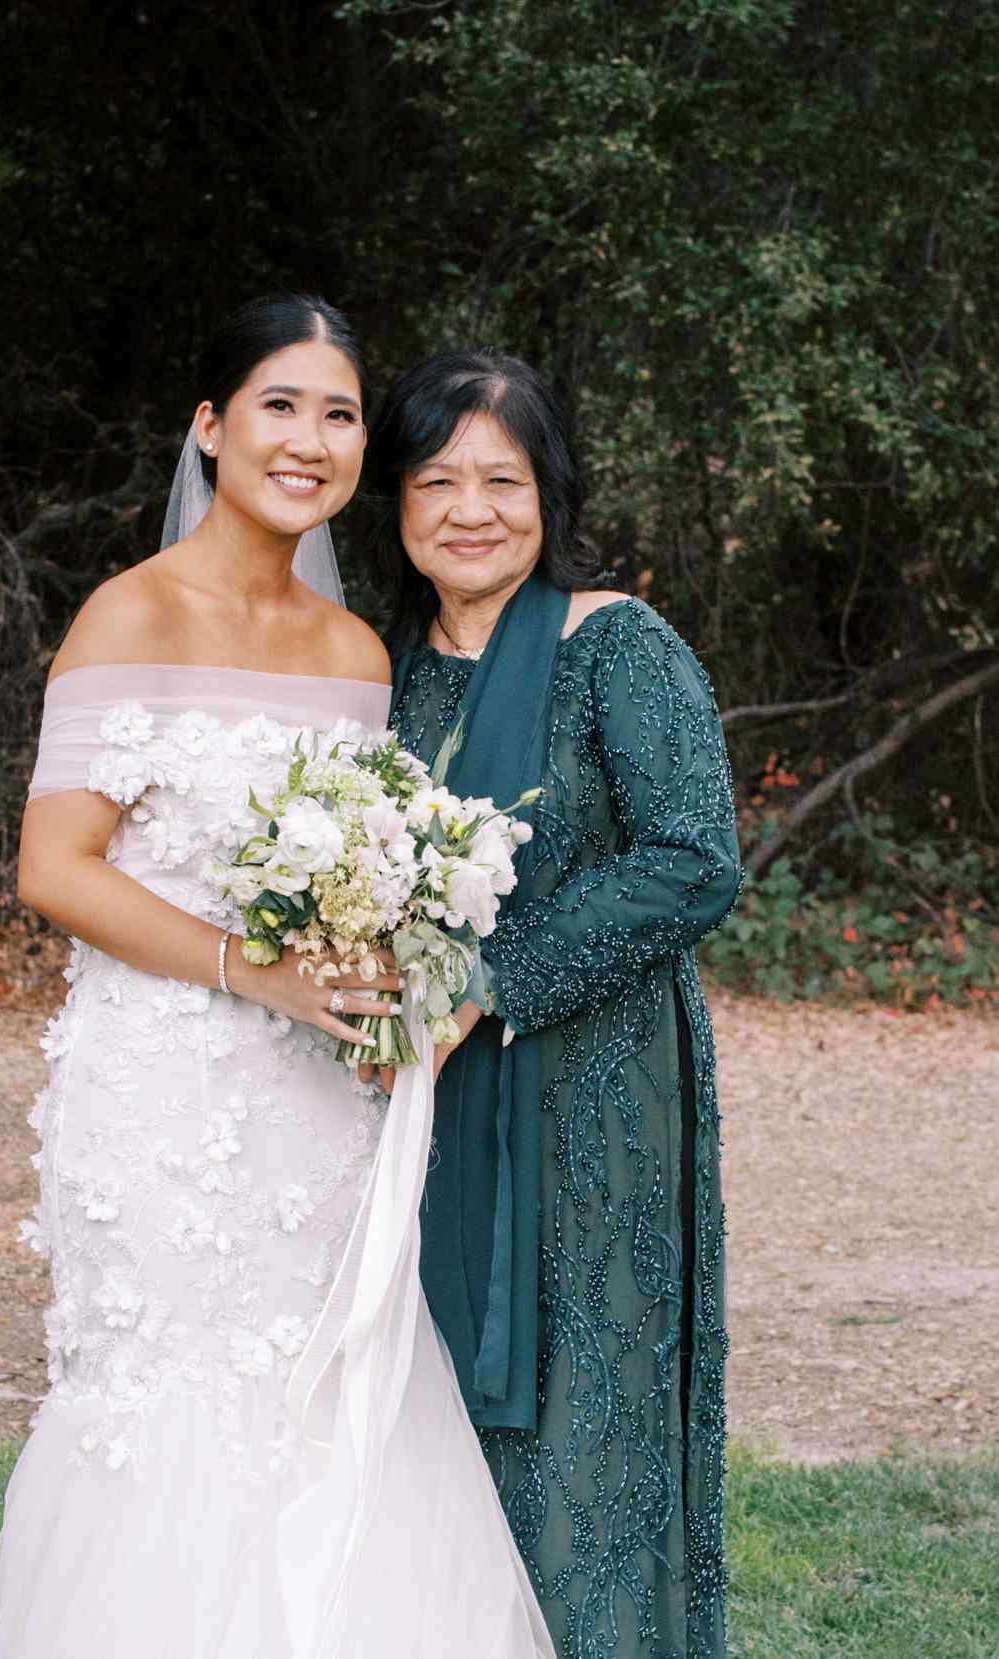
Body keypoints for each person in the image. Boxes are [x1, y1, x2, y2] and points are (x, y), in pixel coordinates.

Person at [0, 301, 553, 1658]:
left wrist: (368, 958)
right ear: (212, 427)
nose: (310, 439)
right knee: (176, 1403)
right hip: (165, 1088)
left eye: (339, 414)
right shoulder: (129, 615)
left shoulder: (353, 657)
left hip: (316, 1099)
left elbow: (346, 867)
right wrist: (253, 969)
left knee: (330, 1394)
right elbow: (57, 867)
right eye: (280, 406)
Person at [367, 350, 743, 1659]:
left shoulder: (615, 646)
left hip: (601, 1106)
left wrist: (498, 980)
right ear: (397, 504)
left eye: (502, 479)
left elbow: (695, 858)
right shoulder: (381, 679)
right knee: (431, 1428)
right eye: (438, 480)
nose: (472, 509)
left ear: (548, 491)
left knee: (595, 1416)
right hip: (420, 1106)